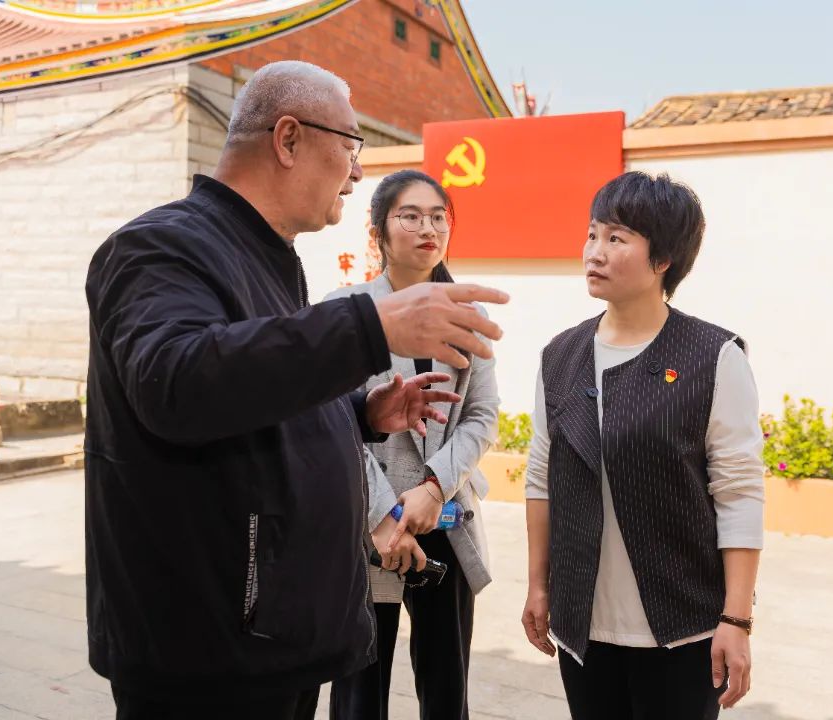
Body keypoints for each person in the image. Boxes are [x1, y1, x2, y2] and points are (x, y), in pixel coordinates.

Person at [83, 60, 507, 720]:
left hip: (272, 641)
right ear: (288, 139)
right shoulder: (160, 247)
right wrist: (367, 328)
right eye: (350, 146)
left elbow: (254, 387)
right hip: (209, 655)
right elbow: (175, 382)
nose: (357, 173)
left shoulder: (265, 259)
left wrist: (357, 413)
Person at [520, 171, 765, 720]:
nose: (595, 251)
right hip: (584, 626)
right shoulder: (560, 355)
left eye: (617, 238)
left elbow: (739, 493)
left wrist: (736, 619)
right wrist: (539, 587)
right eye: (592, 234)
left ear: (663, 260)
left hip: (683, 627)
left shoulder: (713, 356)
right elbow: (541, 477)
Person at [325, 169, 498, 720]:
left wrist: (433, 487)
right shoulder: (346, 308)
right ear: (377, 230)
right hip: (368, 523)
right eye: (411, 215)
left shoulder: (469, 315)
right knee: (359, 690)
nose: (429, 228)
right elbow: (331, 420)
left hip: (443, 518)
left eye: (439, 217)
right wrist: (386, 511)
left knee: (446, 684)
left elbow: (482, 416)